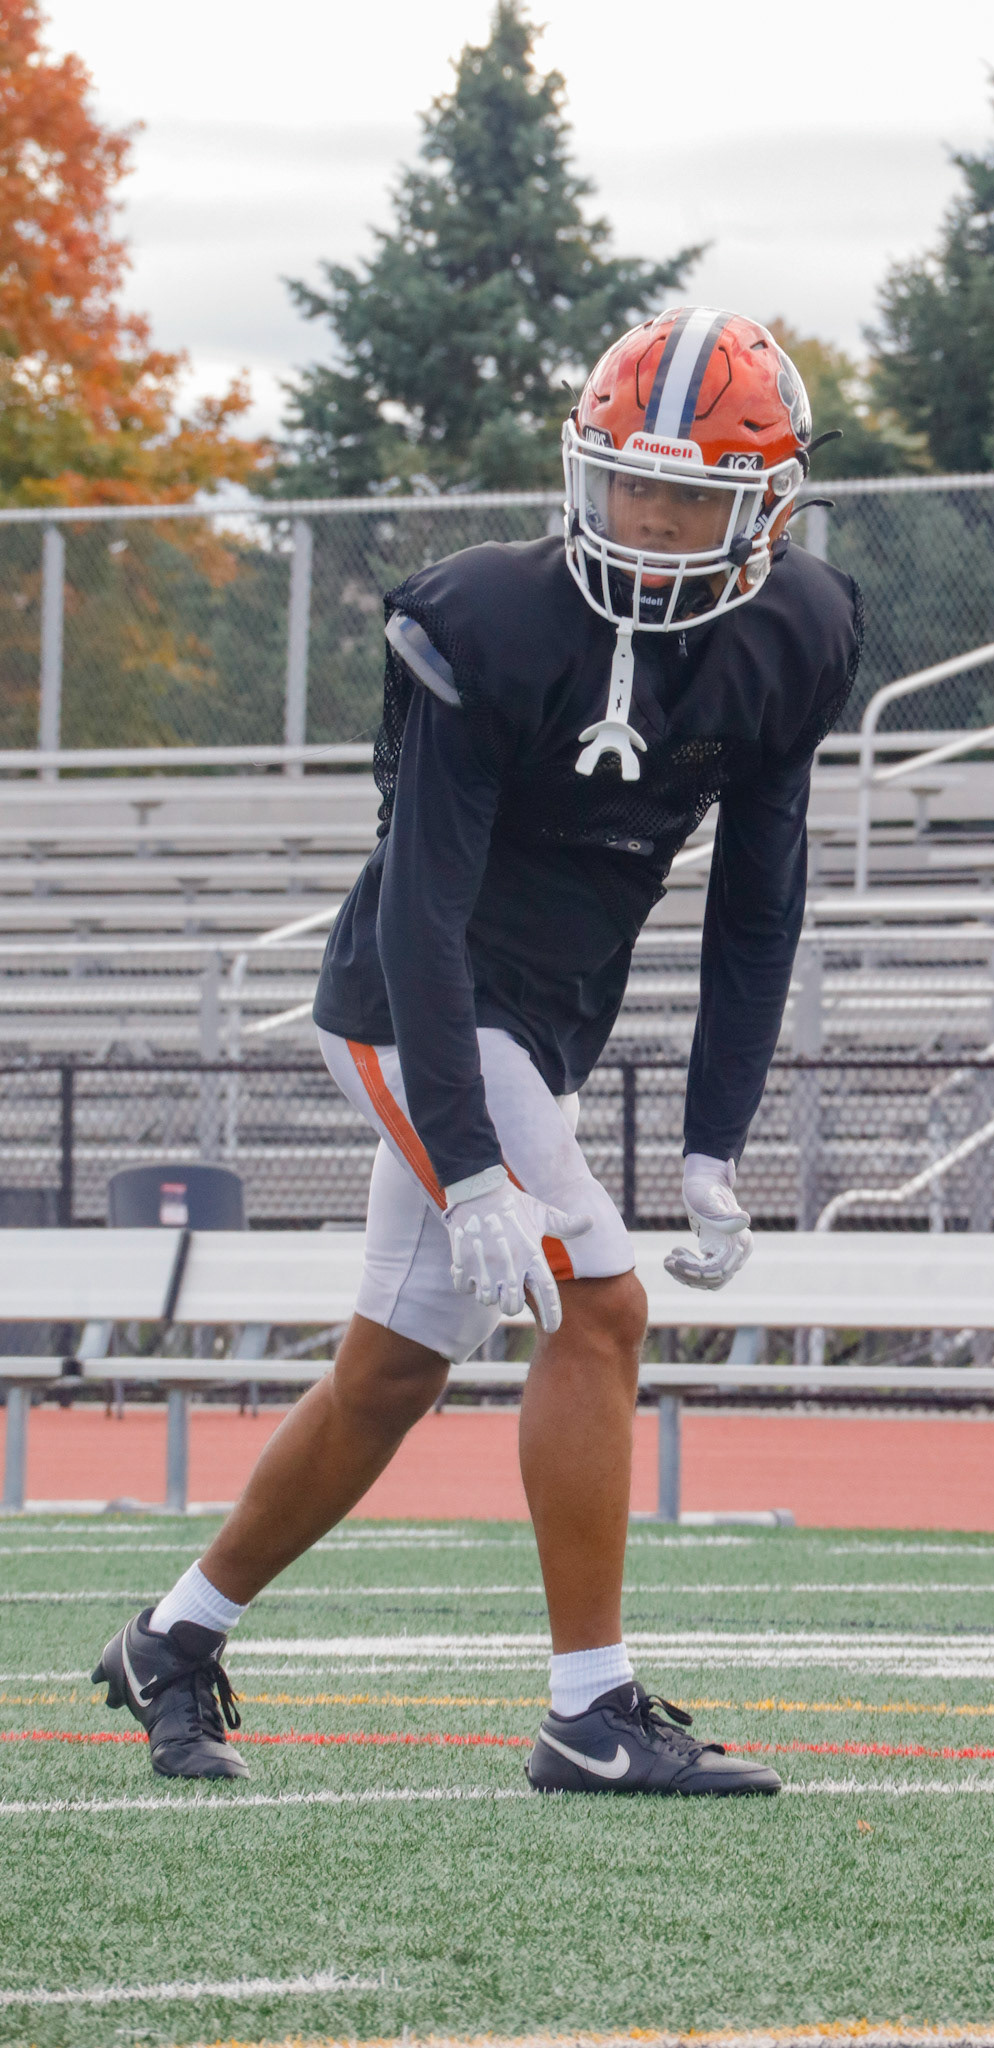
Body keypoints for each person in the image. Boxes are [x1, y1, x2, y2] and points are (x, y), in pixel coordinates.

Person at [92, 306, 862, 1796]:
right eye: (626, 484)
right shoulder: (489, 620)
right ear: (580, 470)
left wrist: (714, 1136)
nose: (646, 522)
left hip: (541, 1021)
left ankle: (171, 1640)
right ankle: (590, 1710)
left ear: (766, 508)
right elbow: (421, 911)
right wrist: (467, 1162)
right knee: (602, 1309)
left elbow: (760, 897)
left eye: (684, 497)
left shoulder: (797, 631)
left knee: (390, 1372)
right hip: (415, 1006)